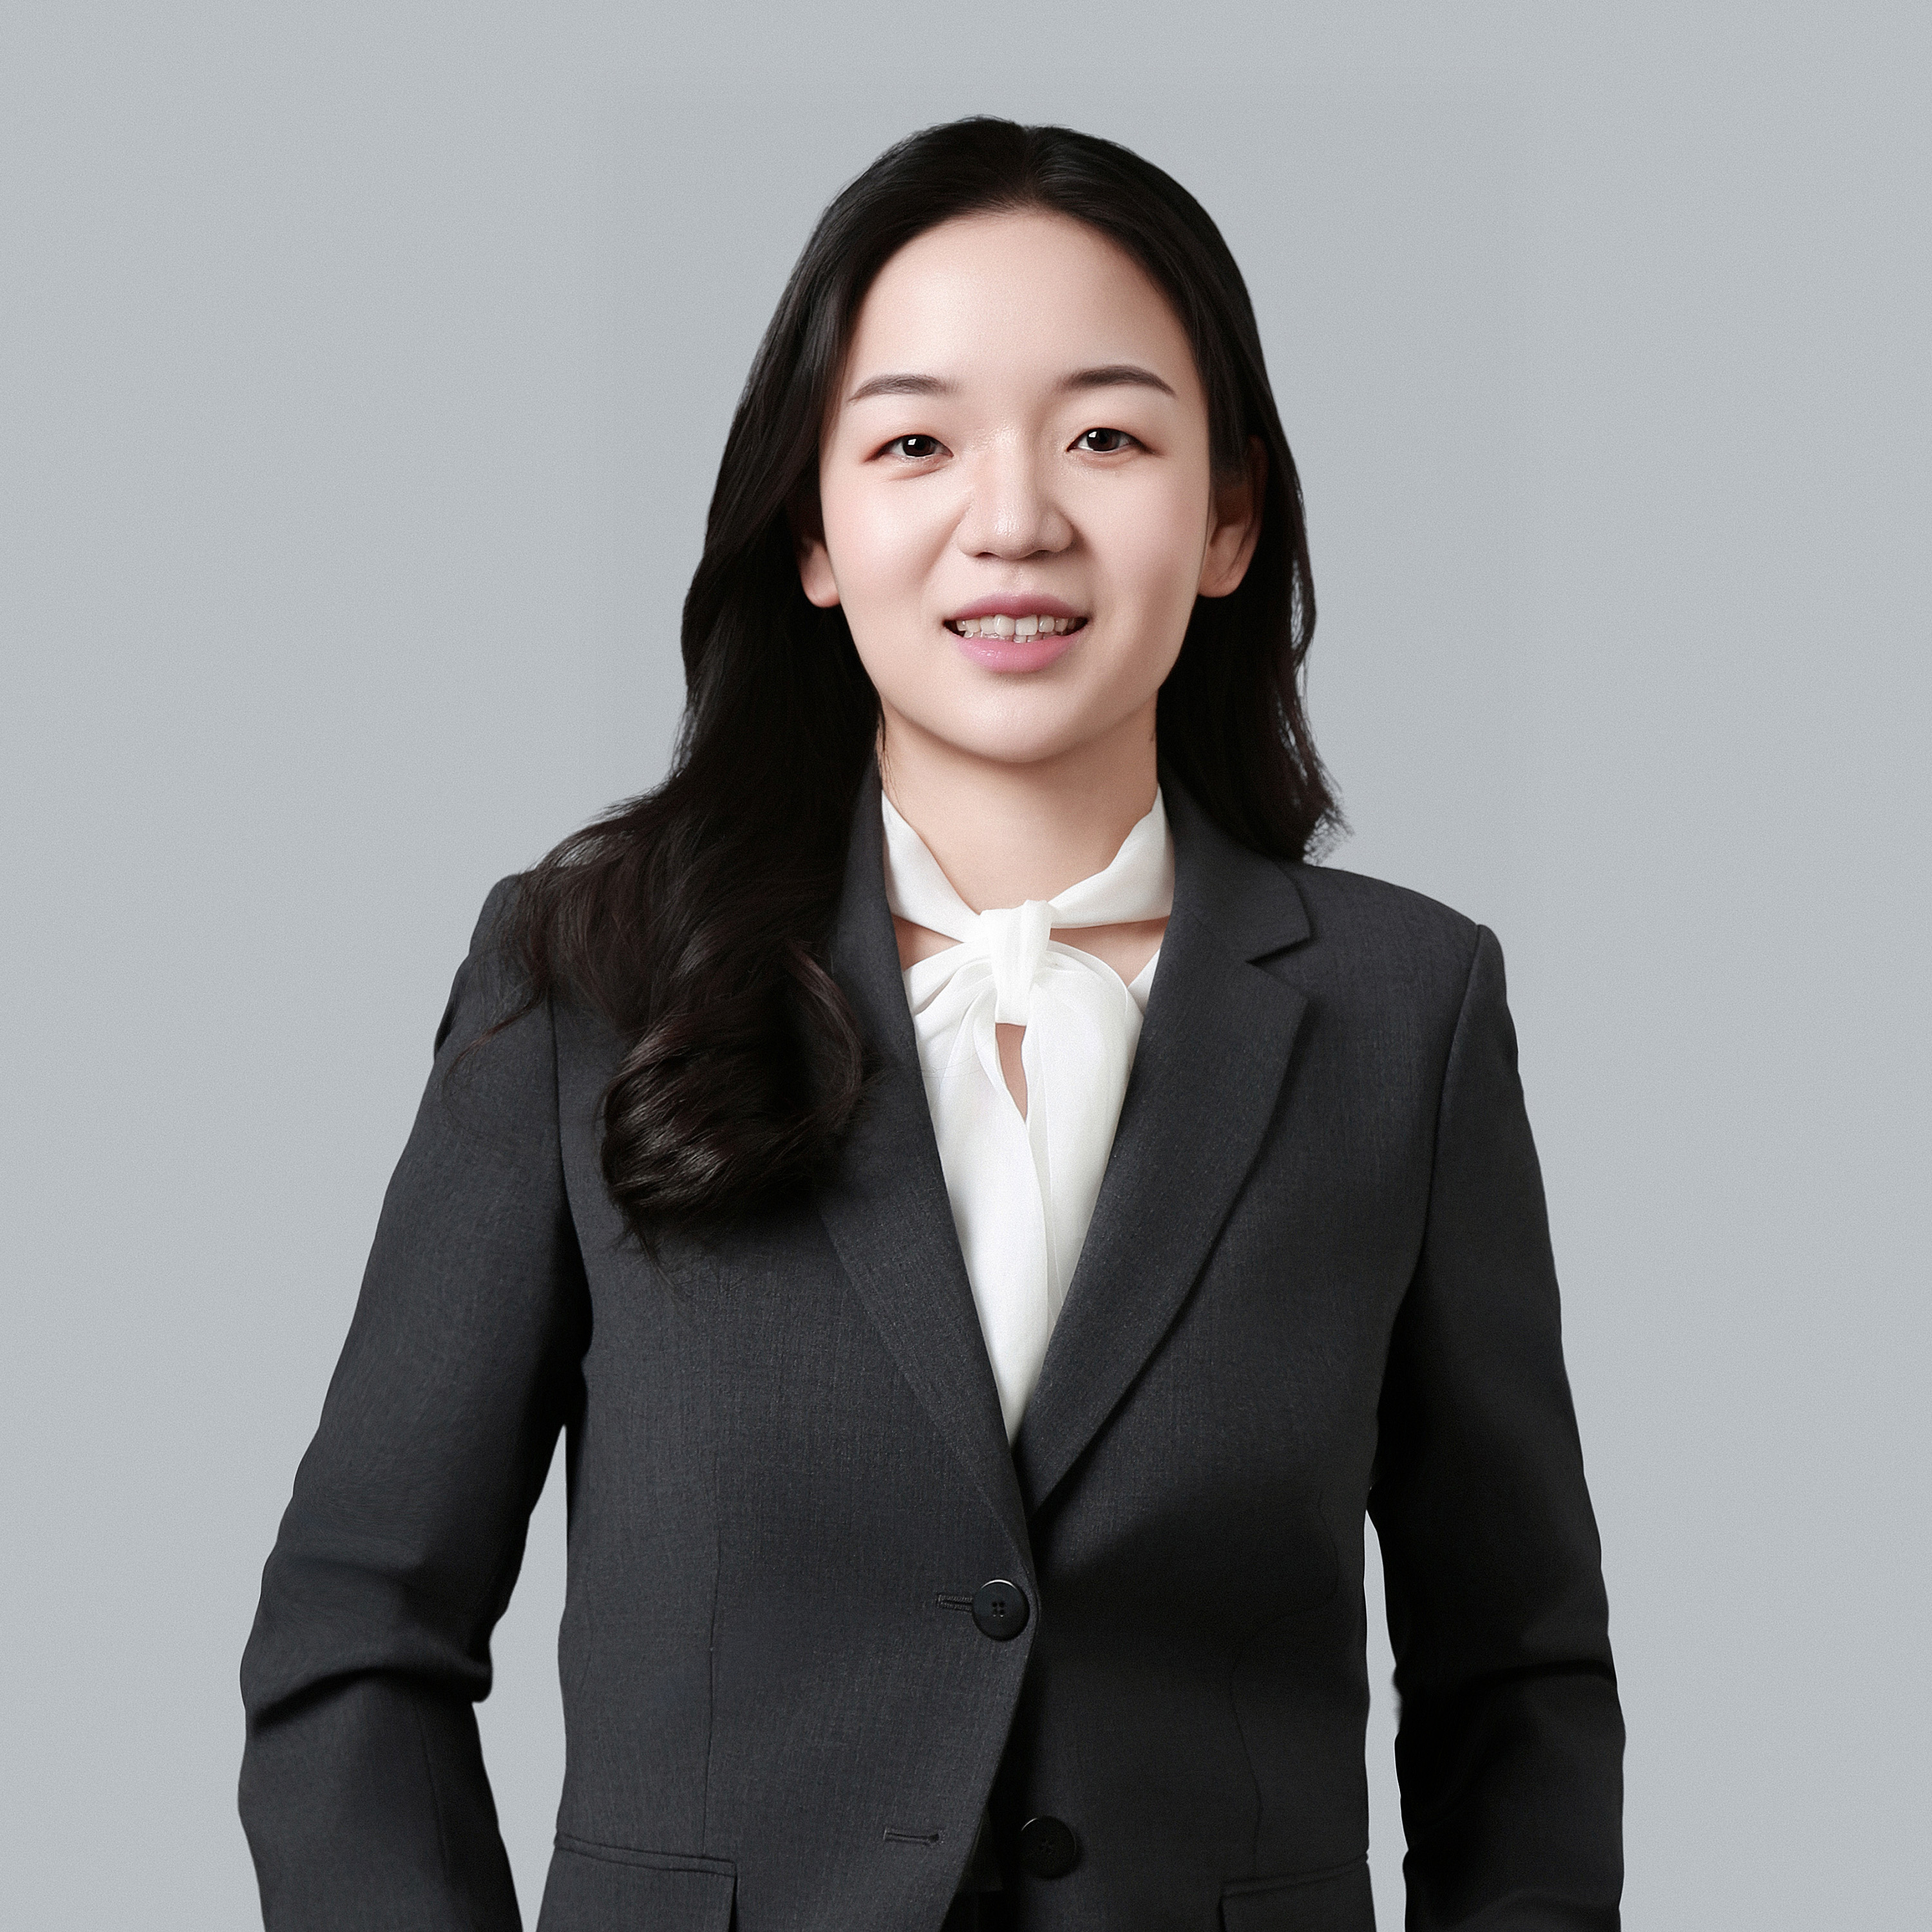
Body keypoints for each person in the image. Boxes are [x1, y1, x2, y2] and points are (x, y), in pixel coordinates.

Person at [239, 117, 1622, 1931]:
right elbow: (355, 1634)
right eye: (914, 442)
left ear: (1228, 519)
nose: (1016, 518)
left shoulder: (1406, 1012)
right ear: (814, 532)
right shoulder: (586, 974)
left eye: (1108, 438)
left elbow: (1515, 1679)